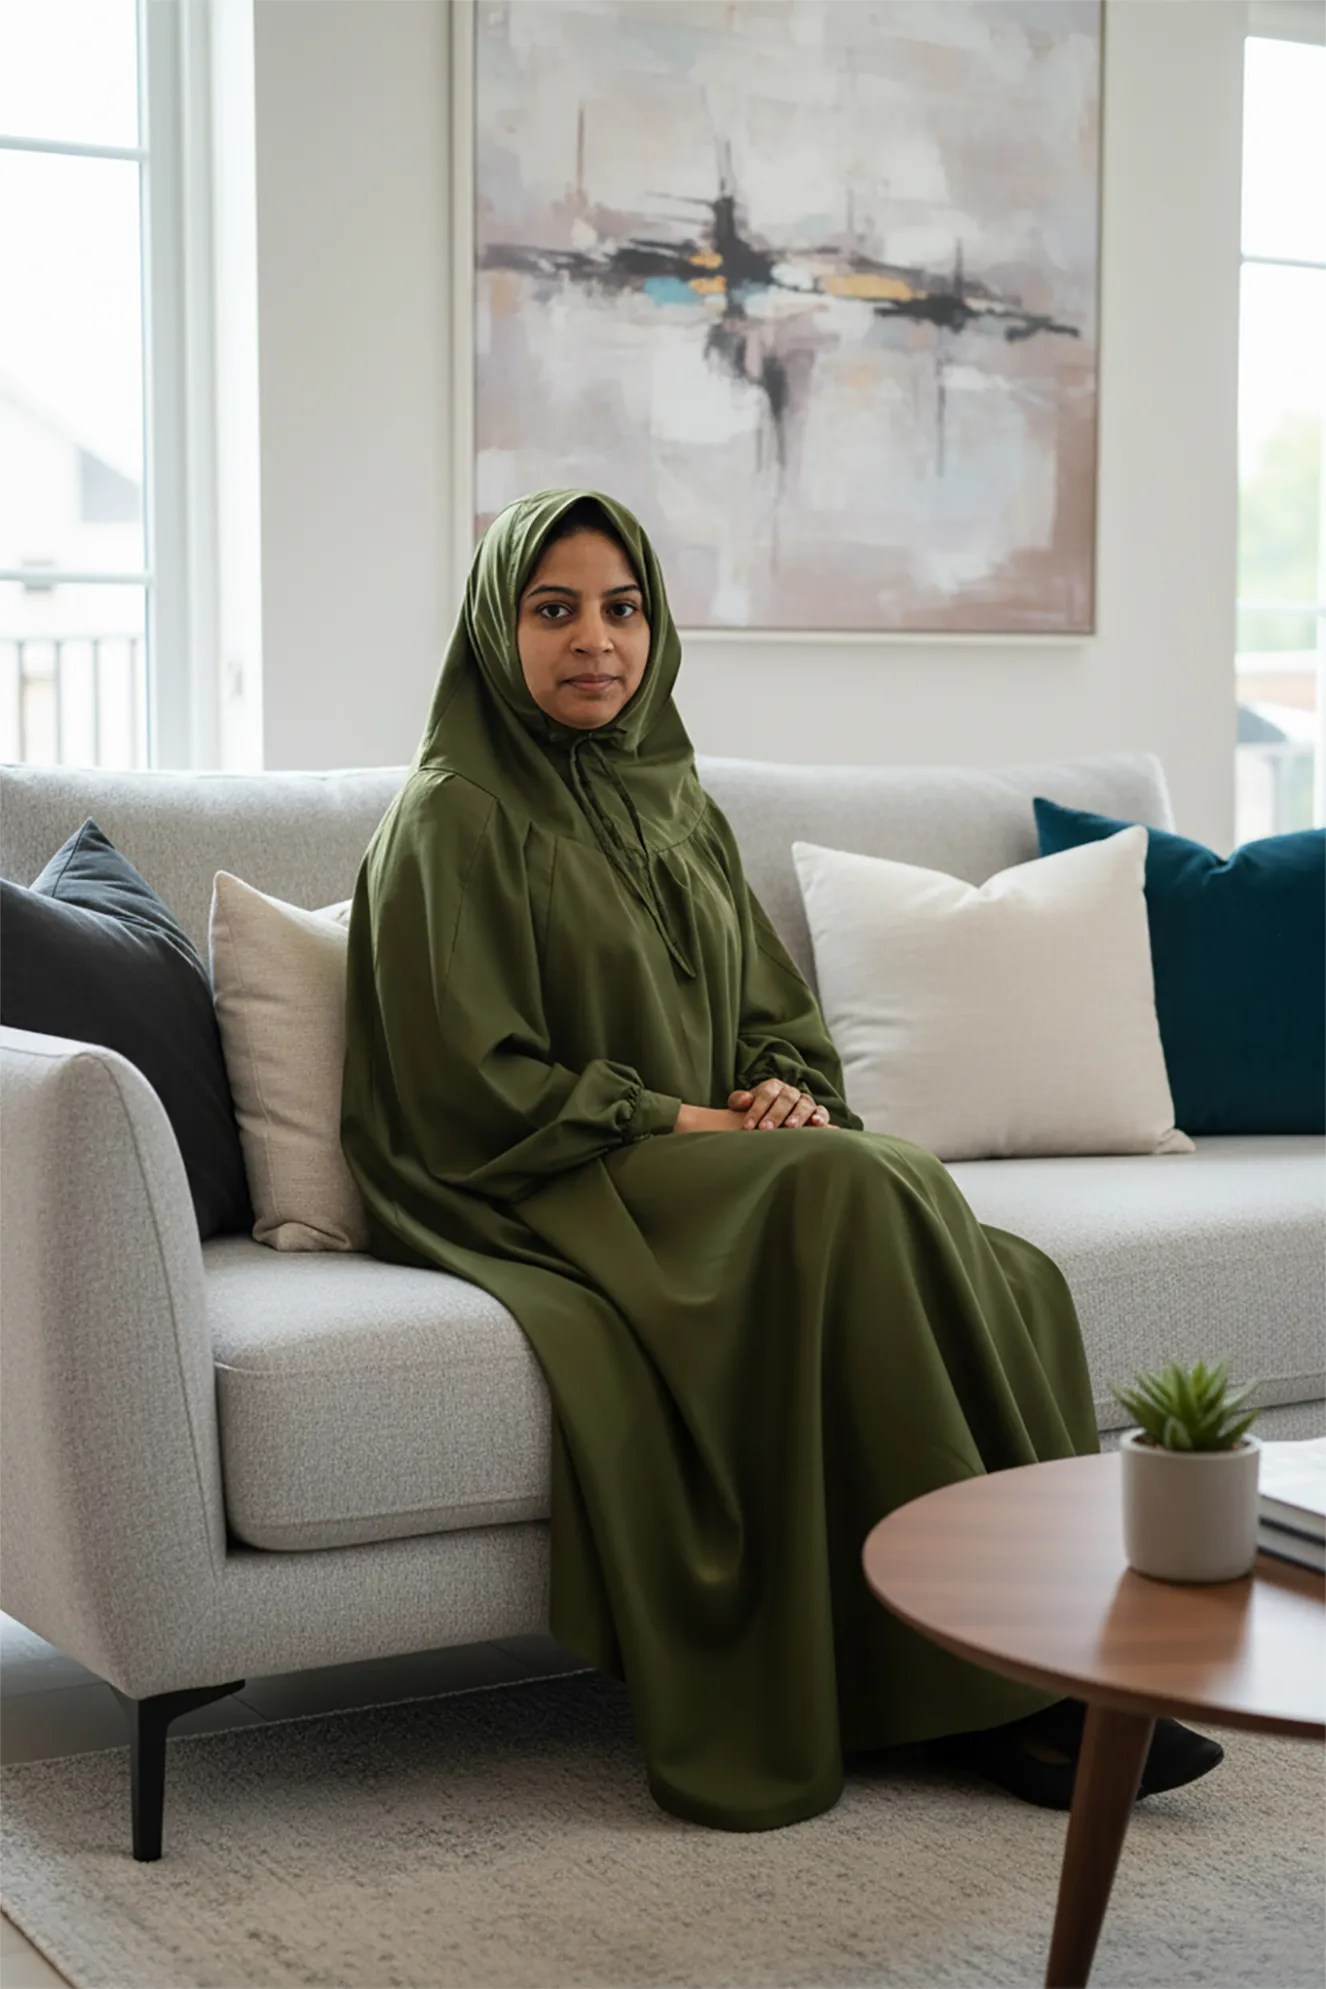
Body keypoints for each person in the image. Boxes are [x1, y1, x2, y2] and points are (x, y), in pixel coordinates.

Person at [341, 489, 1221, 1830]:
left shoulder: (672, 796)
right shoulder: (452, 814)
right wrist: (698, 1124)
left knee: (989, 1255)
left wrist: (782, 1090)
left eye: (622, 608)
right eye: (554, 609)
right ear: (494, 628)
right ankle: (1011, 1696)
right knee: (856, 1188)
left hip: (704, 1161)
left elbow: (769, 1012)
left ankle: (1032, 1662)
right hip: (539, 1177)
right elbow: (476, 1085)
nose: (597, 641)